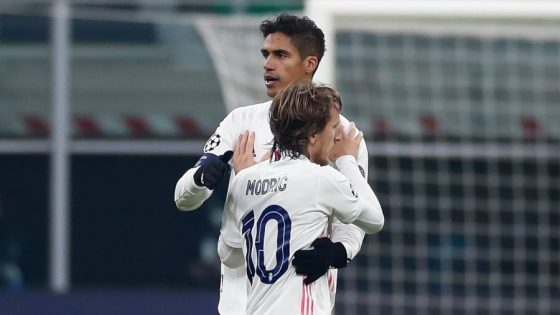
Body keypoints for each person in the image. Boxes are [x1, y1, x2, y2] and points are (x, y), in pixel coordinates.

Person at [174, 13, 370, 314]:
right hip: (239, 301)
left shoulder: (342, 135)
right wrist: (201, 179)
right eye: (266, 54)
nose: (268, 64)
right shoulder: (240, 122)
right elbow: (182, 199)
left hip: (302, 296)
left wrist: (339, 251)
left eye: (281, 55)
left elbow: (357, 214)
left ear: (310, 64)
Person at [218, 82, 384, 315]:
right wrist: (347, 160)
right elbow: (375, 220)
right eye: (334, 127)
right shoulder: (321, 179)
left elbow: (229, 253)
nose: (337, 135)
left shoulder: (243, 181)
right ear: (314, 136)